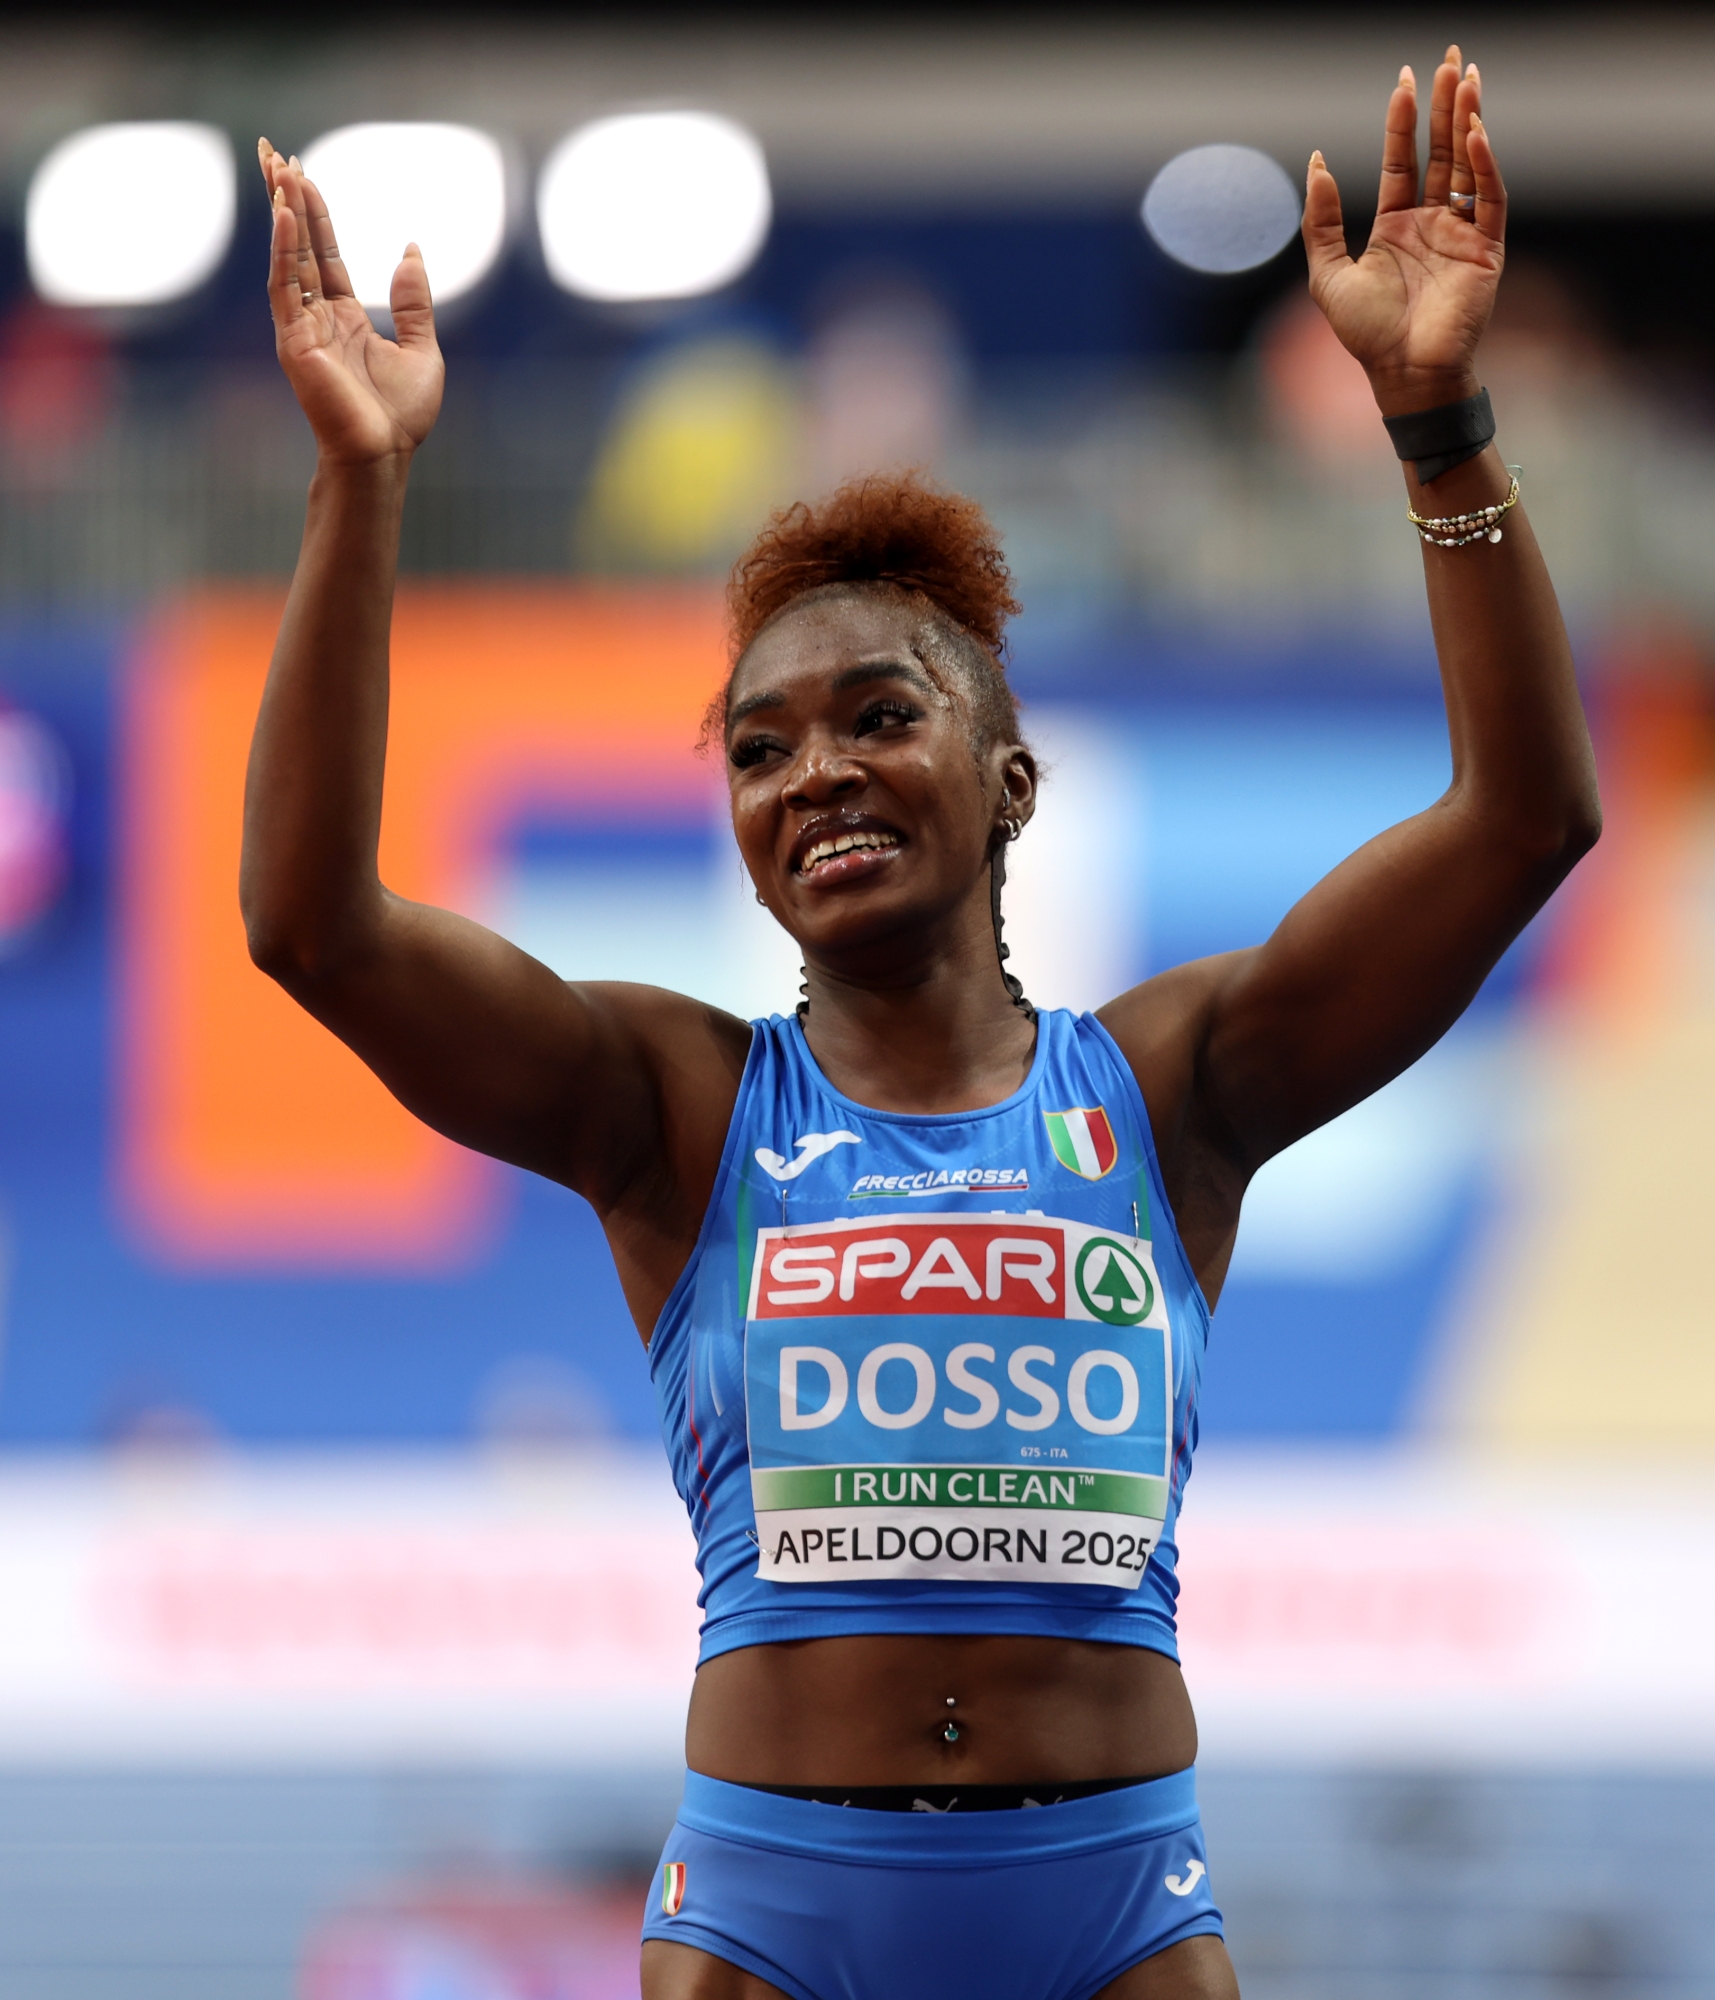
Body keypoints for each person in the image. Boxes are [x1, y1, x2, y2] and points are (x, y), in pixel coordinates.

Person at [247, 46, 1597, 2000]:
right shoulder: (672, 1102)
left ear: (1012, 780)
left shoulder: (1174, 1087)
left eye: (882, 715)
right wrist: (360, 479)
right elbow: (311, 926)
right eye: (763, 749)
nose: (817, 776)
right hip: (775, 1910)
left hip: (1118, 1904)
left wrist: (1438, 419)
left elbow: (1523, 820)